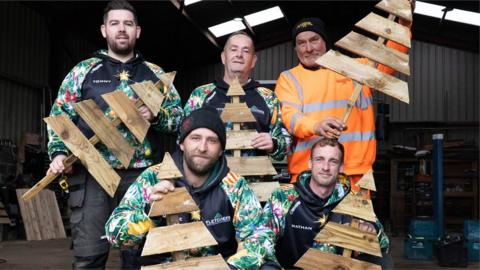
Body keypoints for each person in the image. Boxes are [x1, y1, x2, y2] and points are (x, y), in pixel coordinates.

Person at [46, 0, 183, 268]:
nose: (122, 29)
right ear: (104, 30)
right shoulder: (83, 72)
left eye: (128, 24)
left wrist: (157, 117)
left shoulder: (155, 75)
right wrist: (59, 152)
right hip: (93, 172)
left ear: (138, 31)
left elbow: (179, 121)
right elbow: (60, 117)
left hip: (141, 175)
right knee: (89, 255)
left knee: (139, 254)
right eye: (115, 23)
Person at [105, 108, 273, 269]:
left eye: (212, 140)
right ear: (182, 144)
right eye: (195, 138)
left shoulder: (234, 186)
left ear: (221, 150)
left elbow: (260, 238)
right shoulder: (152, 178)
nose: (202, 147)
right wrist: (149, 212)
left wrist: (231, 267)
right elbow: (114, 235)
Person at [275, 9, 413, 187]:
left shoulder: (357, 68)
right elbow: (289, 117)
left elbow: (390, 59)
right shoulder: (289, 78)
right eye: (301, 43)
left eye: (314, 40)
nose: (308, 48)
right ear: (295, 49)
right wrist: (315, 126)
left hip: (355, 173)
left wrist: (403, 24)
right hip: (308, 175)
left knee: (354, 217)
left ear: (325, 42)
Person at [260, 138, 391, 269]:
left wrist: (372, 229)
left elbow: (384, 245)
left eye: (333, 161)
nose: (326, 167)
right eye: (320, 159)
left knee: (383, 262)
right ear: (310, 163)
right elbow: (261, 240)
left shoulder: (352, 201)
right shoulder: (284, 196)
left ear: (341, 167)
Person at [184, 31, 288, 164]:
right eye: (233, 49)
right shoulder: (200, 95)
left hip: (254, 181)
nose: (239, 55)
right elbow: (183, 138)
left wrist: (274, 144)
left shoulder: (268, 97)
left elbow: (285, 145)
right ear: (223, 57)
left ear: (253, 61)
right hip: (211, 181)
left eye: (246, 51)